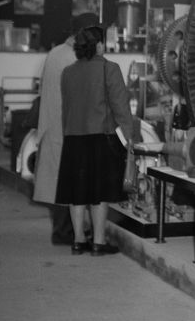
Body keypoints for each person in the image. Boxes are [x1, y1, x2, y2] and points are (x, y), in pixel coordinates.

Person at [55, 24, 138, 256]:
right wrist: (131, 138)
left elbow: (67, 108)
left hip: (73, 138)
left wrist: (67, 133)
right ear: (99, 45)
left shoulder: (68, 72)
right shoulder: (109, 69)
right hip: (101, 138)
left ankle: (79, 240)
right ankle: (99, 242)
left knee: (77, 191)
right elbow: (121, 107)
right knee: (99, 192)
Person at [33, 12, 101, 245]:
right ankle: (68, 233)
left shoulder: (55, 53)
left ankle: (63, 231)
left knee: (58, 179)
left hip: (54, 126)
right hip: (69, 127)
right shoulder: (75, 58)